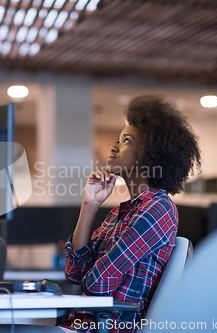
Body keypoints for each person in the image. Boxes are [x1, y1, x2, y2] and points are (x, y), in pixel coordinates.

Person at [58, 94, 201, 332]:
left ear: (150, 153)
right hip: (83, 325)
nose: (113, 147)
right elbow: (74, 272)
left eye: (126, 140)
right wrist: (90, 205)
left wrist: (91, 274)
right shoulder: (120, 212)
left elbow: (97, 283)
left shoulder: (158, 209)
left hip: (109, 327)